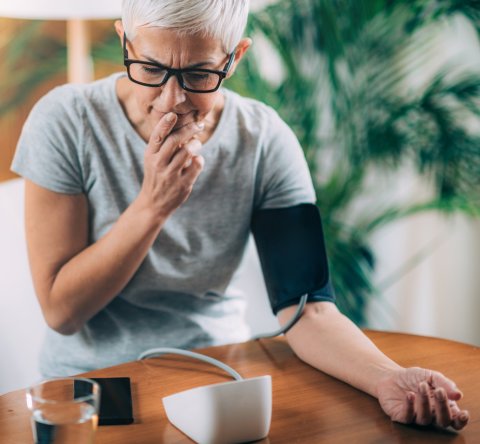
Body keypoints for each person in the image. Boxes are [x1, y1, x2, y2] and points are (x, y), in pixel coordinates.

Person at [12, 0, 469, 431]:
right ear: (125, 44)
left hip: (213, 369)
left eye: (198, 74)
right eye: (150, 68)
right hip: (90, 383)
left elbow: (308, 310)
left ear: (234, 58)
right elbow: (61, 310)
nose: (172, 99)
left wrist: (387, 378)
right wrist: (153, 206)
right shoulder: (66, 121)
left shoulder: (264, 139)